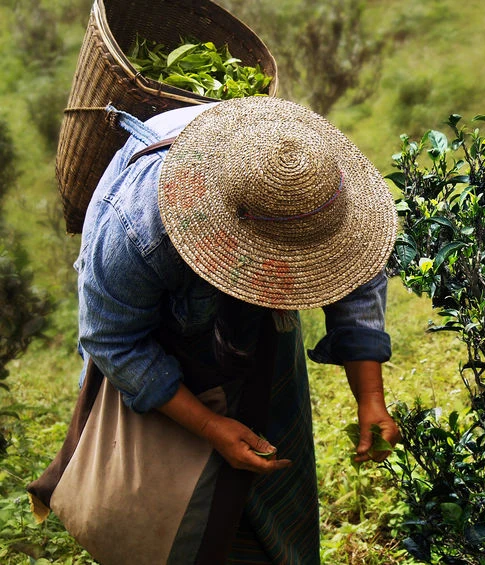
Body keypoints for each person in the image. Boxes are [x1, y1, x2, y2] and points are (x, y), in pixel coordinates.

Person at [63, 97, 400, 563]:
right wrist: (207, 424)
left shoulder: (325, 188)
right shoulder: (143, 223)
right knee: (171, 518)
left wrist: (370, 397)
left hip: (261, 341)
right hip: (161, 339)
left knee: (273, 501)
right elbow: (110, 338)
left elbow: (359, 273)